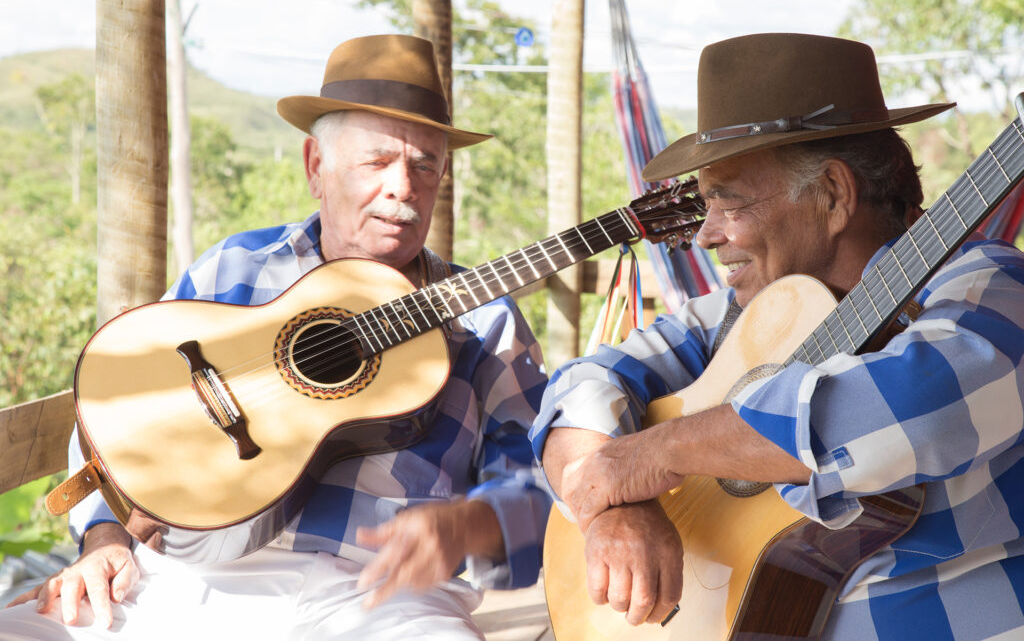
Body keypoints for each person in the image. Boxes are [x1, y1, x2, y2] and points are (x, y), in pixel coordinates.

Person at [2, 34, 551, 640]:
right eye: (377, 161)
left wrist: (471, 525)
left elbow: (540, 495)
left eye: (426, 165)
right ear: (317, 166)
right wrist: (103, 539)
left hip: (386, 595)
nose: (404, 187)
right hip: (189, 581)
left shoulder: (484, 320)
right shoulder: (235, 267)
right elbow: (114, 406)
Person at [530, 32, 1024, 638]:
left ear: (833, 195)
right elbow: (582, 386)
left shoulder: (993, 287)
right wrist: (612, 507)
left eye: (727, 203)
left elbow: (925, 404)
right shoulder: (745, 313)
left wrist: (657, 453)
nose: (704, 235)